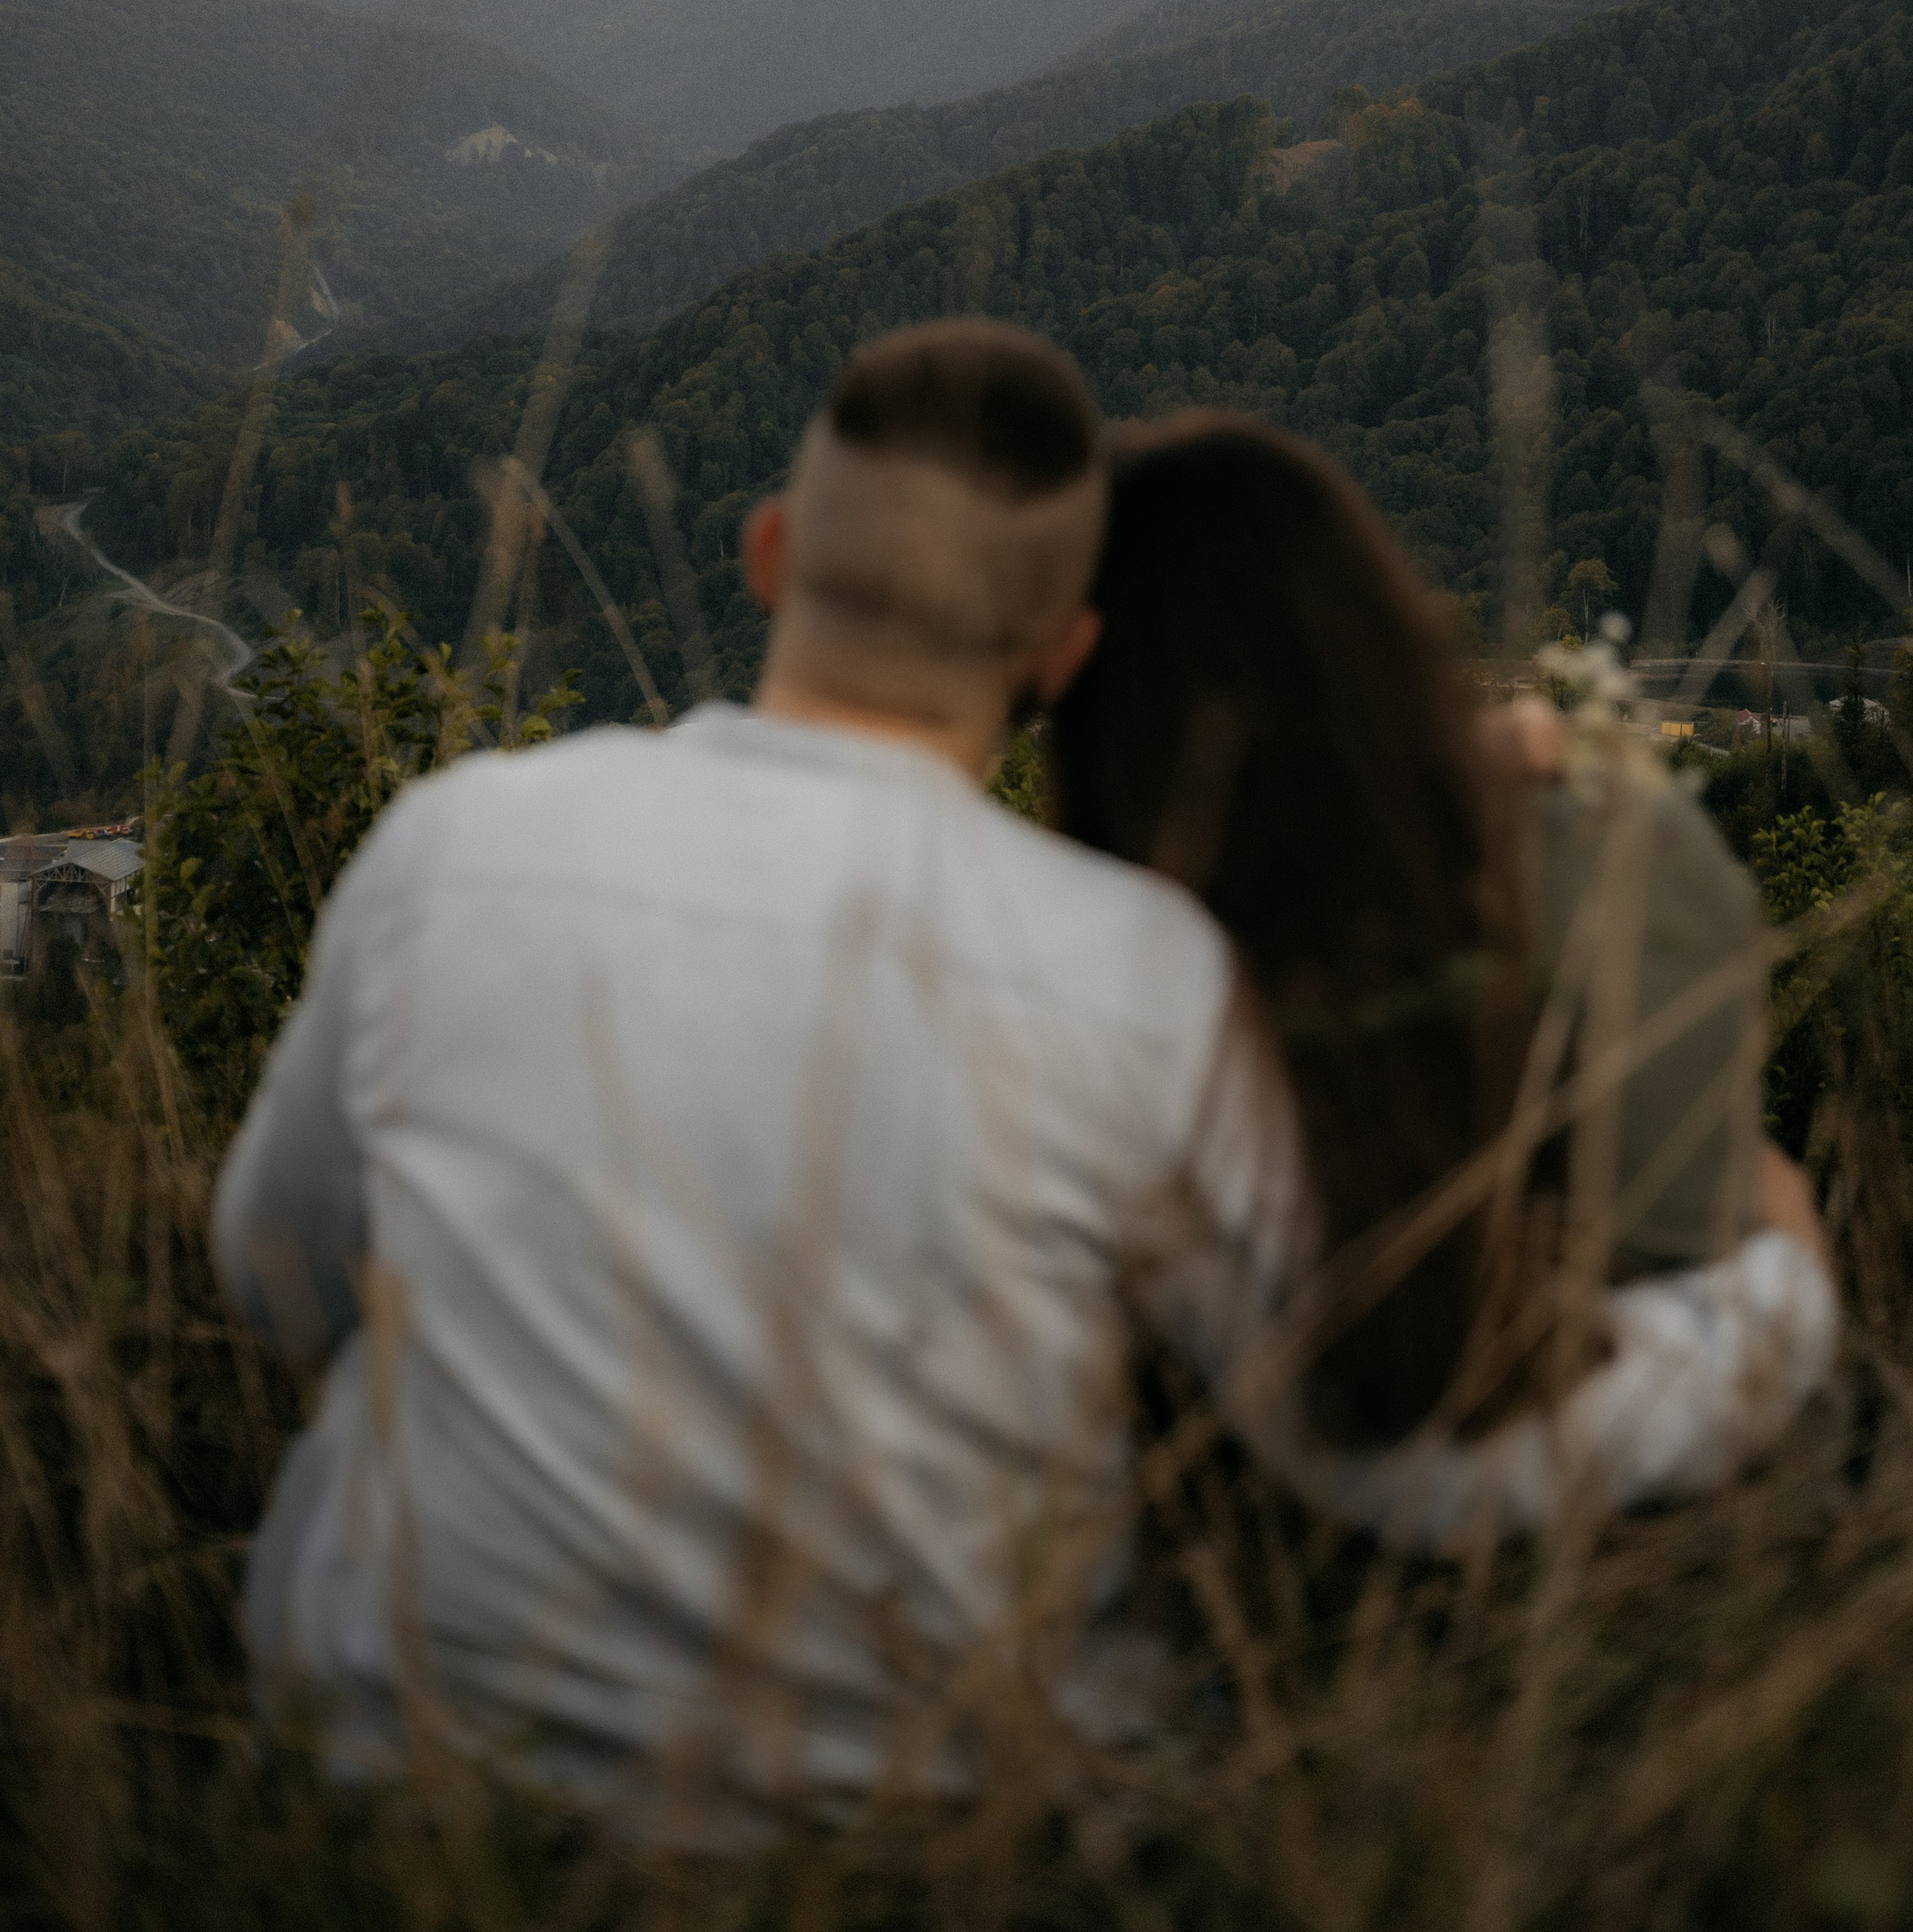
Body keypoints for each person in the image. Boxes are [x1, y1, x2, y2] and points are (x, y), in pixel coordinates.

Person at [215, 329, 1829, 1839]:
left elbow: (273, 1277)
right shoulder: (1137, 975)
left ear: (771, 552)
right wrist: (1769, 1296)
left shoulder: (448, 846)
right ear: (1060, 654)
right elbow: (1398, 1462)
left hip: (385, 1788)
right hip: (927, 1828)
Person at [1047, 413, 1836, 1534]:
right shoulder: (1610, 849)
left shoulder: (1120, 1016)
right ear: (1365, 619)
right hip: (1772, 1529)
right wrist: (1788, 1286)